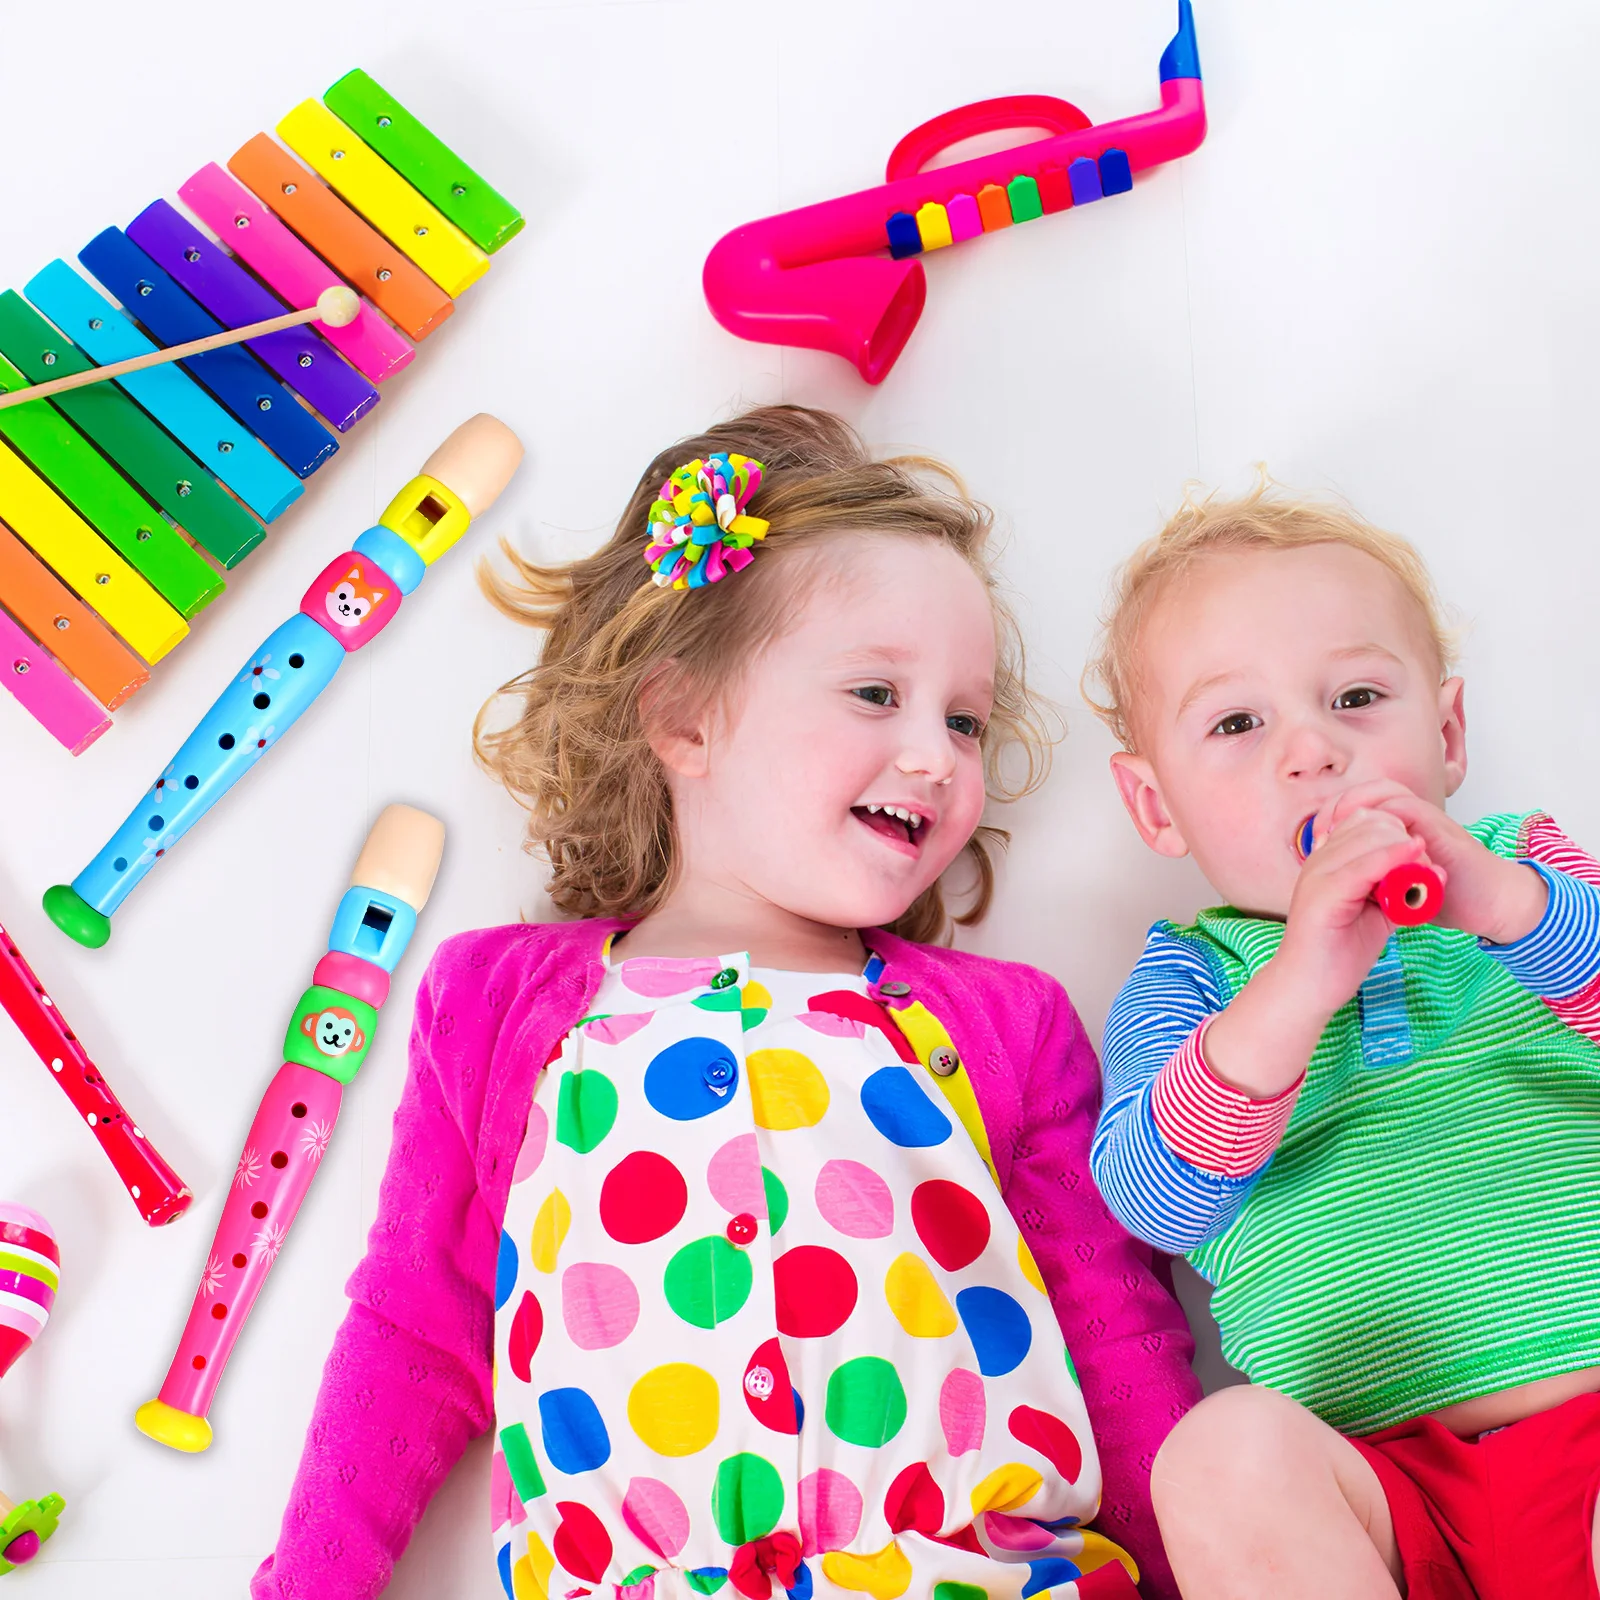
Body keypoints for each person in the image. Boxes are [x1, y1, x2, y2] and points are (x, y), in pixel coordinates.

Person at [251, 406, 1199, 1600]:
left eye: (964, 718)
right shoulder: (494, 1004)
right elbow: (414, 1328)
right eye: (874, 693)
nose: (936, 756)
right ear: (682, 717)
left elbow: (1114, 1333)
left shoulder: (1007, 1025)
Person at [1087, 483, 1600, 1600]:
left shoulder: (1531, 870)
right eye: (1237, 723)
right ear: (1156, 809)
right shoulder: (1192, 979)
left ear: (1448, 733)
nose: (1311, 750)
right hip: (1379, 1500)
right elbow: (1152, 1202)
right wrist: (1298, 984)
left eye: (1357, 697)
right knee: (1218, 1456)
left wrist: (1504, 904)